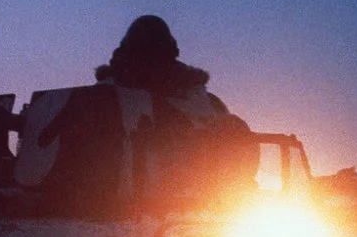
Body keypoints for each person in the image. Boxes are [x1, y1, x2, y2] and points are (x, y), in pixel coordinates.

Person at [96, 15, 257, 205]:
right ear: (125, 56)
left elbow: (240, 165)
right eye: (141, 54)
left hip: (192, 216)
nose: (149, 63)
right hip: (107, 213)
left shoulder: (207, 105)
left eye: (157, 53)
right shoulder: (99, 102)